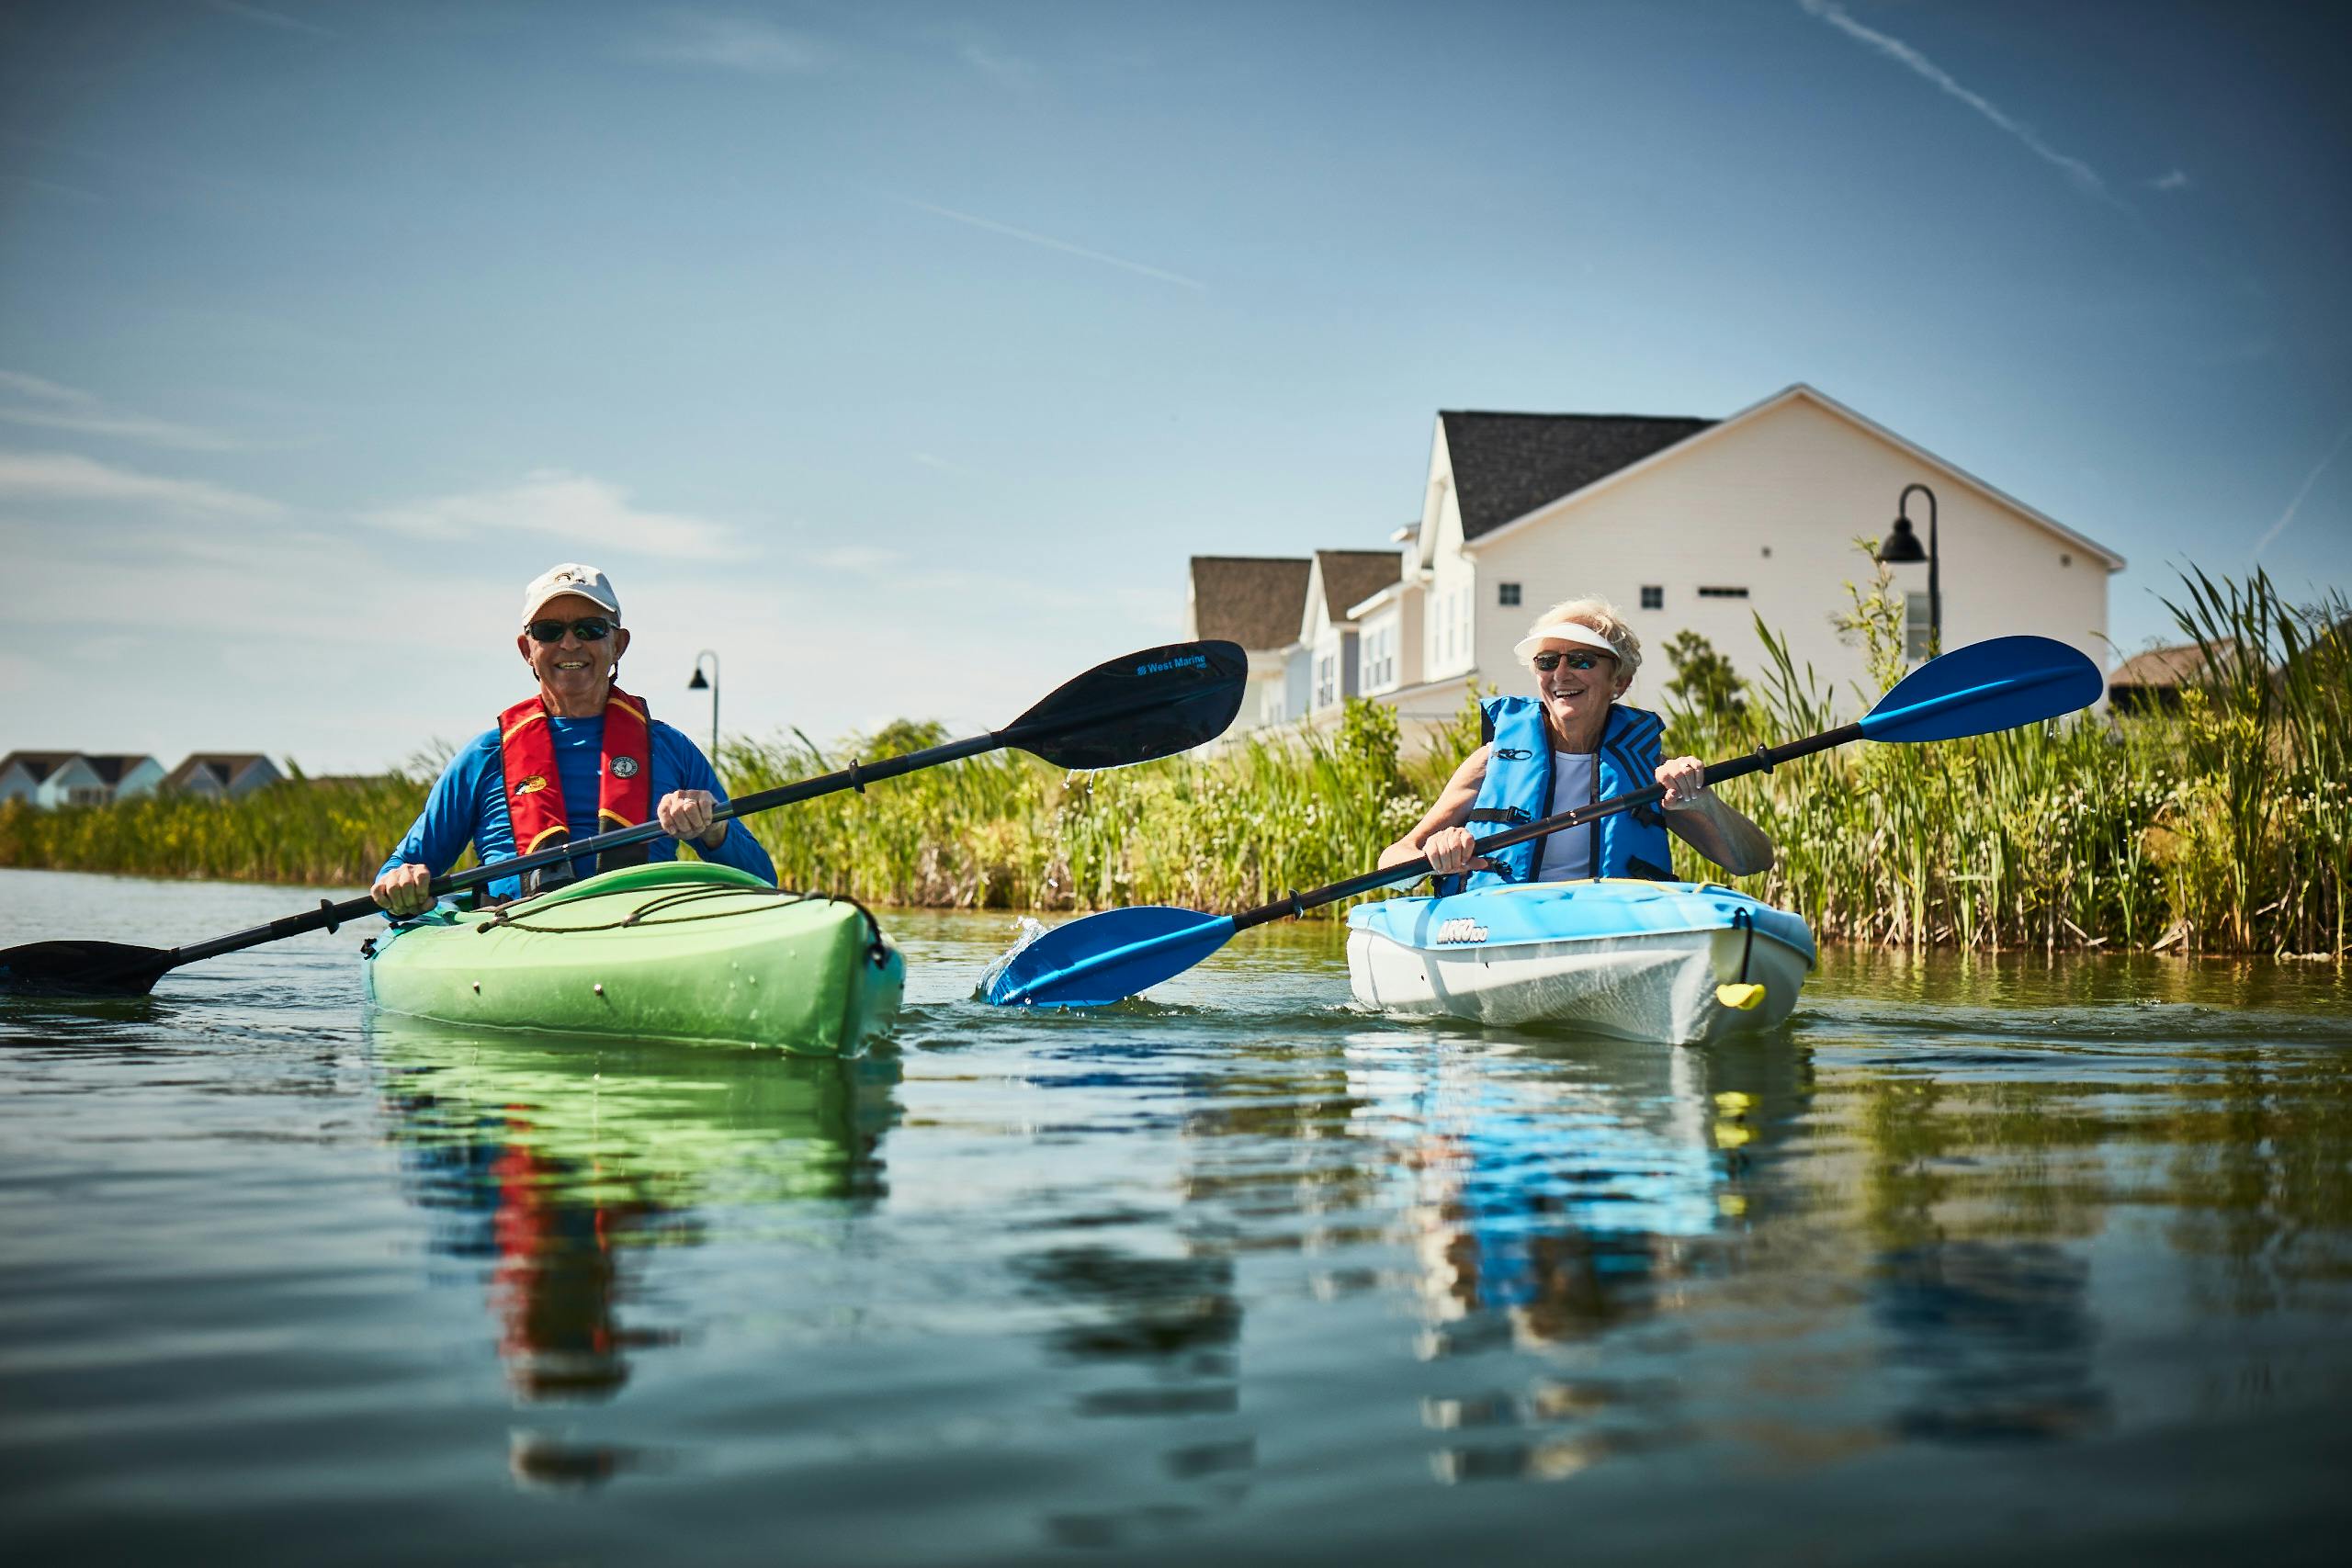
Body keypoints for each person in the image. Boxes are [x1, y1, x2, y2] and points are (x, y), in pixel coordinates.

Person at [371, 563, 775, 916]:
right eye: (549, 631)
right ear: (527, 650)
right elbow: (398, 870)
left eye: (590, 628)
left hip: (641, 929)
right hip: (515, 933)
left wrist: (712, 829)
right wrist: (401, 883)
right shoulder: (482, 757)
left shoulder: (672, 749)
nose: (569, 643)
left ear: (618, 644)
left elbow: (761, 882)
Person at [1378, 598, 1773, 887]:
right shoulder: (1491, 762)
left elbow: (1753, 861)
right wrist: (1434, 855)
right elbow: (1391, 861)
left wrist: (1704, 802)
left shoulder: (1652, 772)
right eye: (1547, 661)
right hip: (1500, 925)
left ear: (1619, 682)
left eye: (1582, 660)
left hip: (1603, 927)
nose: (1560, 674)